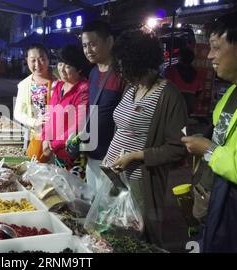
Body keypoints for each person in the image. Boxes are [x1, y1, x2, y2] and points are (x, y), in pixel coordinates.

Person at [181, 11, 237, 252]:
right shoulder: (231, 93)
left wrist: (208, 150)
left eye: (216, 48)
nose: (210, 56)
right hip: (219, 205)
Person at [105, 30, 188, 247]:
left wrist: (135, 156)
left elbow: (178, 147)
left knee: (139, 237)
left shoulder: (169, 95)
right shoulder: (132, 87)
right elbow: (123, 128)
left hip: (141, 180)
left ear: (143, 62)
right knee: (115, 231)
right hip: (116, 174)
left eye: (127, 67)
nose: (123, 73)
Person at [80, 20, 125, 193]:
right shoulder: (93, 72)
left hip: (113, 157)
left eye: (92, 44)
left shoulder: (122, 73)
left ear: (109, 41)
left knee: (110, 207)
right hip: (93, 152)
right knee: (93, 203)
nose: (88, 50)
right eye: (84, 45)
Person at [41, 45, 90, 179]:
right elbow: (49, 114)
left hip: (73, 154)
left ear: (79, 68)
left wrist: (53, 144)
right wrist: (45, 137)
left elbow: (79, 125)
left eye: (67, 66)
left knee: (73, 194)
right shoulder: (59, 85)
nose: (61, 69)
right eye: (60, 63)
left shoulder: (83, 89)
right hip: (57, 152)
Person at [14, 43, 54, 162]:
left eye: (42, 59)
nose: (37, 64)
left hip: (58, 139)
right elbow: (18, 113)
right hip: (36, 137)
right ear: (27, 61)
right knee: (37, 172)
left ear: (48, 59)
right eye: (33, 60)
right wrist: (34, 121)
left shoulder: (60, 81)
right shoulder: (24, 85)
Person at [165, 47, 206, 116]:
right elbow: (199, 91)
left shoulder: (171, 70)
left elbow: (165, 86)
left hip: (173, 104)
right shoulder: (197, 74)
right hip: (189, 105)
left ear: (180, 58)